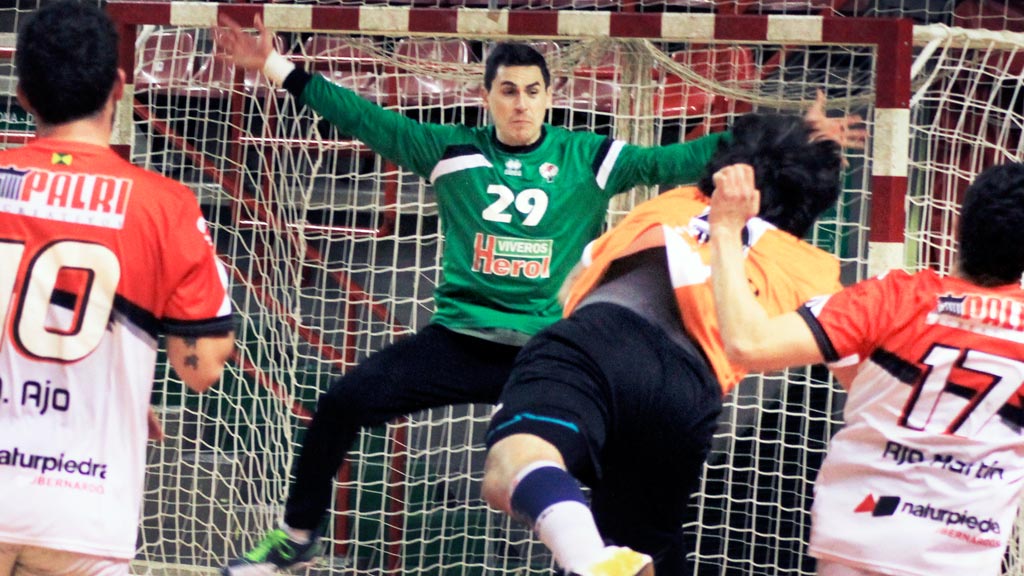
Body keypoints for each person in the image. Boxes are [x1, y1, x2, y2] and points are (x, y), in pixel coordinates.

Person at [215, 15, 864, 575]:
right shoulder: (448, 151)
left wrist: (792, 140)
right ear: (487, 96)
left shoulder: (590, 157)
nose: (520, 104)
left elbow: (681, 160)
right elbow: (363, 115)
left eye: (532, 92)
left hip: (564, 349)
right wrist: (273, 64)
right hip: (467, 343)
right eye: (507, 92)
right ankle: (296, 539)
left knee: (621, 507)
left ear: (550, 97)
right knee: (341, 402)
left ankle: (608, 552)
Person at [480, 112, 848, 576]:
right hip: (688, 392)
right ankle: (598, 560)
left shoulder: (671, 204)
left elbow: (572, 281)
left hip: (598, 342)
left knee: (513, 462)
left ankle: (587, 559)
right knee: (641, 551)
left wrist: (794, 137)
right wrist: (806, 154)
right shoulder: (811, 269)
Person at [0, 2, 237, 575]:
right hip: (82, 505)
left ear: (23, 94)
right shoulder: (164, 207)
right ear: (118, 87)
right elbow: (202, 369)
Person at [708, 160, 1024, 576]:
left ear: (957, 228)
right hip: (962, 557)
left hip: (859, 540)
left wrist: (727, 230)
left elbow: (748, 343)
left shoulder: (892, 299)